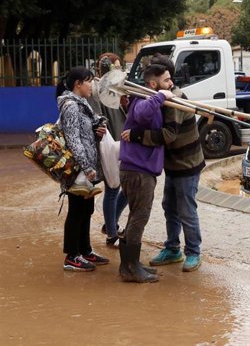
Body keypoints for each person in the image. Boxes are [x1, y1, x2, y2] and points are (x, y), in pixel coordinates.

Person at [122, 54, 205, 273]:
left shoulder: (173, 99)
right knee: (170, 207)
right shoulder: (156, 95)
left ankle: (193, 252)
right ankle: (172, 248)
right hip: (172, 163)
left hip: (187, 162)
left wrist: (138, 135)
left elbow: (168, 135)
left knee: (186, 209)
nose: (171, 83)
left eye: (170, 79)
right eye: (167, 80)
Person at [119, 63, 174, 283]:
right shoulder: (143, 100)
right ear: (153, 84)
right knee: (139, 218)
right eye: (166, 80)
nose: (171, 83)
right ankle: (130, 268)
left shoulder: (145, 99)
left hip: (139, 170)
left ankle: (130, 264)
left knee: (135, 217)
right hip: (138, 171)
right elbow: (142, 114)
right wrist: (160, 97)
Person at [56, 66, 110, 272]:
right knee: (76, 210)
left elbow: (85, 133)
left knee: (86, 208)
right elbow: (73, 139)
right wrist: (87, 166)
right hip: (77, 168)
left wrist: (97, 130)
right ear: (78, 85)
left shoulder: (82, 104)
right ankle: (71, 256)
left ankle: (85, 250)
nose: (92, 85)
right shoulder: (70, 106)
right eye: (89, 81)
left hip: (85, 167)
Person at [88, 53, 127, 247]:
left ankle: (110, 223)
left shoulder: (118, 87)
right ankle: (111, 233)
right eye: (116, 67)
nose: (119, 70)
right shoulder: (97, 89)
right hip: (109, 145)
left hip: (123, 141)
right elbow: (98, 118)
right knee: (113, 188)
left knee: (126, 187)